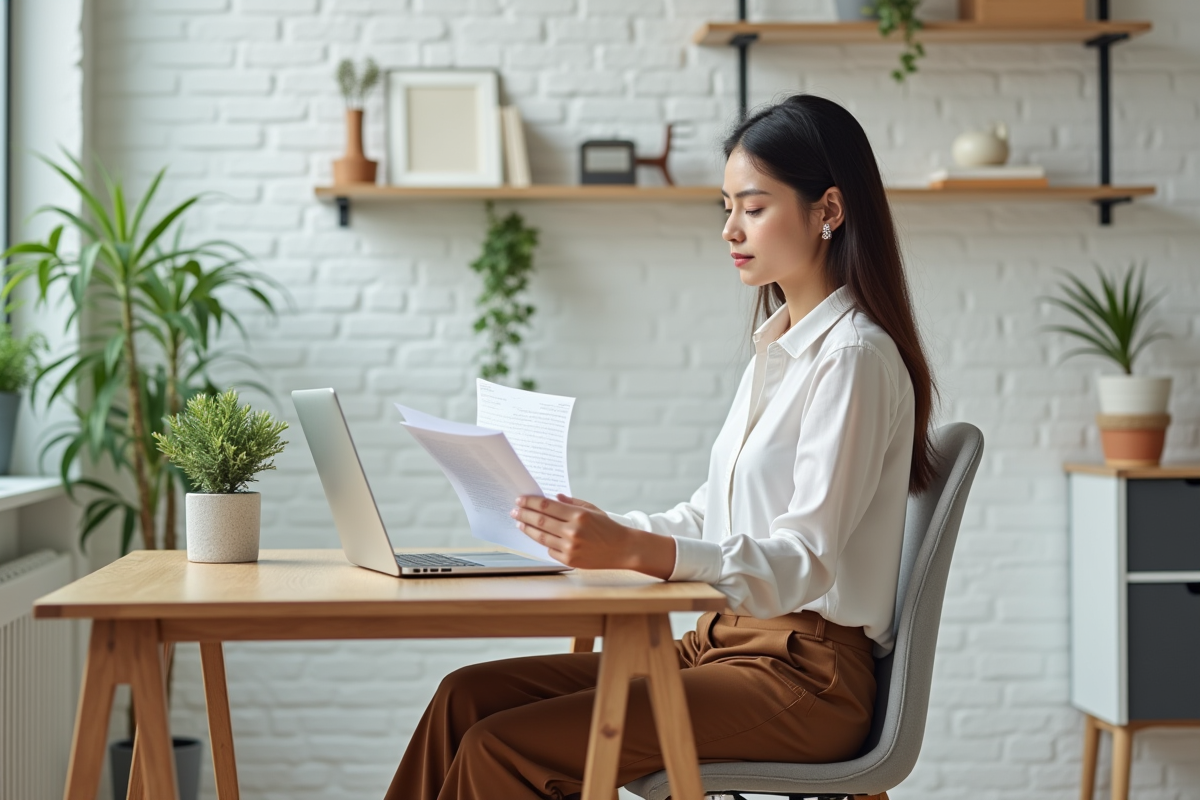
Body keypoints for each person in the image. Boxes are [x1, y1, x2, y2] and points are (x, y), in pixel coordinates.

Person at [384, 93, 937, 800]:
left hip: (804, 676)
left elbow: (807, 560)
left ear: (829, 210)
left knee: (505, 747)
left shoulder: (853, 358)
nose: (731, 230)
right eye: (725, 207)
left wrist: (636, 552)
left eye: (754, 207)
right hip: (720, 645)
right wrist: (602, 533)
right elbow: (713, 516)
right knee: (464, 698)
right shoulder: (779, 351)